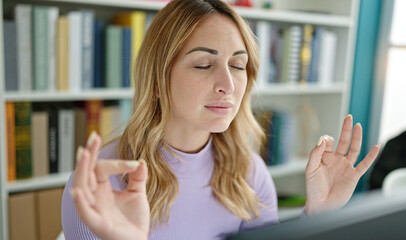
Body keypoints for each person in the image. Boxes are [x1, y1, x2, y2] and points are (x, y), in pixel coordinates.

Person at [61, 0, 381, 239]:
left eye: (238, 66)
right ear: (157, 81)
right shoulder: (101, 183)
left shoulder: (249, 173)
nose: (227, 85)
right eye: (203, 64)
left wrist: (317, 217)